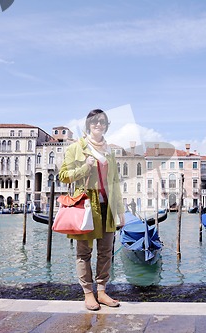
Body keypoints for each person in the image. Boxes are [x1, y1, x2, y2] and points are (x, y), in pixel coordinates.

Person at [59, 109, 125, 311]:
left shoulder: (109, 151)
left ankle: (102, 291)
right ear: (88, 125)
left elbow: (114, 182)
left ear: (106, 125)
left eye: (102, 122)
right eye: (95, 122)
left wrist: (120, 210)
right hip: (87, 205)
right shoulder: (76, 148)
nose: (98, 125)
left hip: (107, 206)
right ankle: (88, 293)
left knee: (106, 252)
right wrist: (85, 168)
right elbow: (63, 175)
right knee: (84, 252)